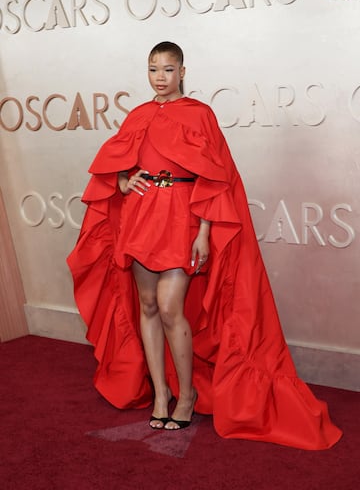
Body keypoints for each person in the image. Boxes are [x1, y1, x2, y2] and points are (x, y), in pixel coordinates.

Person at [67, 41, 342, 447]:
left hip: (181, 216)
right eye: (153, 69)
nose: (160, 78)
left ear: (182, 71)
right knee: (146, 305)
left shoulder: (200, 114)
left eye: (167, 69)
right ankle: (161, 393)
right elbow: (118, 167)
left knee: (169, 307)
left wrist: (204, 232)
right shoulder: (139, 115)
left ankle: (187, 396)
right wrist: (126, 181)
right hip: (143, 216)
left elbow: (217, 178)